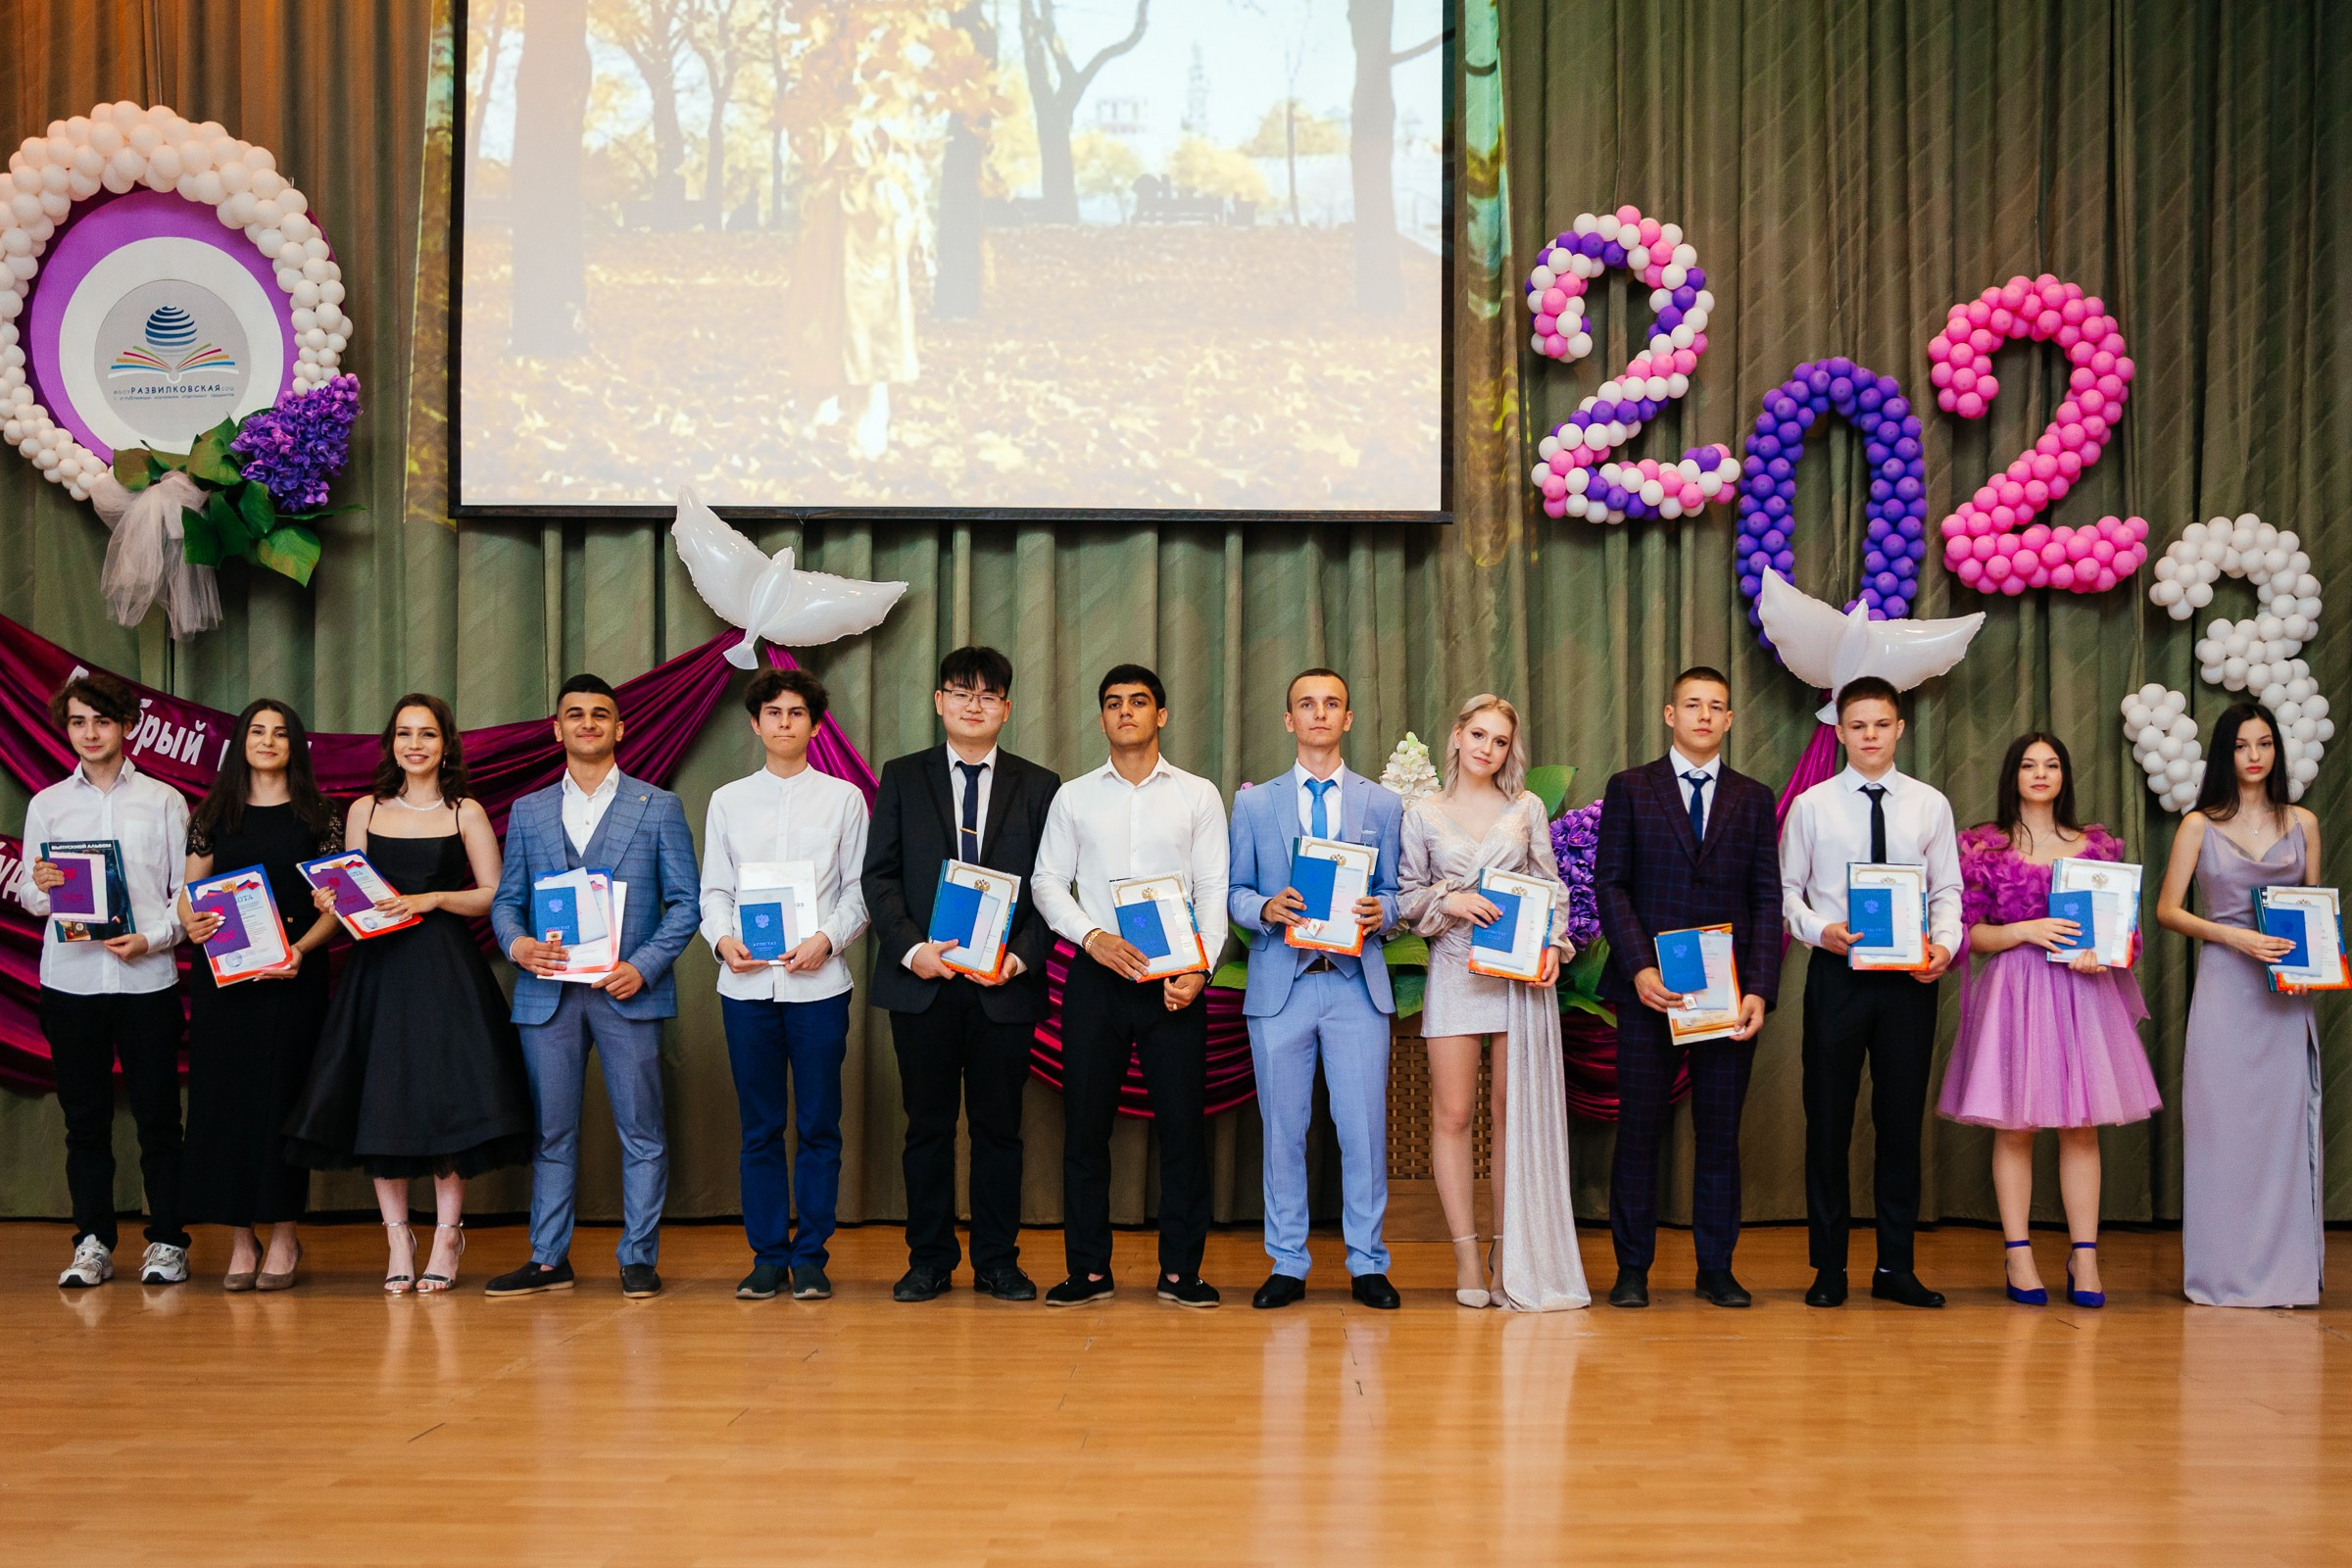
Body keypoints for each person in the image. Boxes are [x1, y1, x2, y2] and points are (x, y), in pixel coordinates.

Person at [284, 695, 534, 1295]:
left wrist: (433, 899)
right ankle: (398, 1237)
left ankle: (448, 1236)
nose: (414, 744)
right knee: (381, 1098)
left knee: (448, 1097)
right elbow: (349, 898)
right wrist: (329, 899)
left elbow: (495, 894)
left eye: (426, 734)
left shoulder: (465, 811)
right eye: (404, 733)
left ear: (445, 745)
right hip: (379, 969)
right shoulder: (364, 809)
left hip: (445, 968)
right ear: (391, 743)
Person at [484, 674, 701, 1299]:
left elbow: (685, 903)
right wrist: (518, 945)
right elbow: (507, 901)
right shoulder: (529, 811)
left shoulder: (658, 806)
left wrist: (645, 965)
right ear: (557, 729)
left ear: (619, 728)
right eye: (575, 714)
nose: (587, 723)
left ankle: (638, 1258)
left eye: (600, 714)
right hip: (547, 994)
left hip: (627, 992)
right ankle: (548, 1259)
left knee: (642, 1130)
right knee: (551, 1132)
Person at [863, 647, 1058, 1304]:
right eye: (960, 692)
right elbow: (879, 876)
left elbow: (1055, 887)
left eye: (987, 695)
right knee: (928, 1129)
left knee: (1000, 1130)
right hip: (924, 984)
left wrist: (1019, 957)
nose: (973, 705)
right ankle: (929, 1260)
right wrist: (912, 949)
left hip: (1005, 987)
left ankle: (998, 1261)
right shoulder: (902, 776)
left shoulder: (1041, 785)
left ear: (1007, 707)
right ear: (938, 702)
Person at [1938, 732, 2160, 1308]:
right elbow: (1967, 935)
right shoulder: (1983, 848)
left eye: (2052, 764)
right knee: (2015, 1127)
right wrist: (2024, 931)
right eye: (2029, 765)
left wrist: (2104, 955)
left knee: (2081, 1128)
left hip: (2083, 995)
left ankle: (2085, 1255)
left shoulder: (2097, 848)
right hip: (2015, 993)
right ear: (2013, 775)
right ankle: (2018, 1252)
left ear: (2064, 776)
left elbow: (2126, 937)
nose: (2041, 773)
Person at [1030, 664, 1228, 1309]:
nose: (1125, 712)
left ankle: (1181, 1273)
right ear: (1102, 719)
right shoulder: (1075, 797)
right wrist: (1091, 937)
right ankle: (1088, 1271)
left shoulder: (1197, 795)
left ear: (1160, 715)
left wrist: (1200, 969)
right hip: (1097, 974)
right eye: (1113, 703)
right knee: (1086, 1129)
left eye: (1138, 702)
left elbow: (1213, 889)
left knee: (1182, 1129)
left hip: (1176, 978)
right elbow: (1046, 881)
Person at [1593, 666, 1783, 1310]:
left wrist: (1760, 988)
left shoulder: (1753, 797)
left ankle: (1716, 1268)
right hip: (1650, 991)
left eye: (1716, 706)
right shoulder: (1631, 788)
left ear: (1729, 720)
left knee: (1720, 1135)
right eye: (1692, 704)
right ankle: (1632, 1269)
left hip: (1728, 995)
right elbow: (1611, 884)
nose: (1704, 715)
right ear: (1670, 715)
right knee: (1639, 1132)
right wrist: (1639, 967)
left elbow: (1767, 897)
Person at [1397, 694, 1587, 1312]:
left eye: (1500, 740)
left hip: (1516, 976)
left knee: (1512, 1116)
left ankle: (1509, 1255)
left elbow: (1551, 886)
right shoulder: (1422, 813)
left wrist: (1554, 944)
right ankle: (1464, 1253)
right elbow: (1405, 897)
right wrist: (1448, 900)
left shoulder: (1526, 807)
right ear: (1456, 736)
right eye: (1478, 735)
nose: (1487, 748)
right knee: (1453, 1115)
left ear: (1510, 750)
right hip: (1454, 971)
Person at [1780, 675, 1960, 1309]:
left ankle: (1895, 1268)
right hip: (1837, 975)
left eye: (1882, 724)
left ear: (1900, 728)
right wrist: (1819, 931)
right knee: (1828, 1121)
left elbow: (1947, 890)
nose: (1871, 736)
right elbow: (1787, 893)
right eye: (1858, 726)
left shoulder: (1930, 805)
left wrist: (1945, 945)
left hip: (1910, 980)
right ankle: (1829, 1268)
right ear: (1839, 731)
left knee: (1901, 1124)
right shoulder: (1812, 806)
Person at [1227, 668, 1402, 1310]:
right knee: (1284, 1132)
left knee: (1363, 1132)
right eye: (1307, 704)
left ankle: (1368, 1263)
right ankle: (1287, 1264)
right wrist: (1264, 908)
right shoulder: (1254, 805)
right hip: (1284, 987)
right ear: (1289, 719)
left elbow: (1397, 892)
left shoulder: (1383, 804)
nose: (1320, 713)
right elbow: (1233, 892)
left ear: (1347, 719)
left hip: (1355, 987)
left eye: (1331, 704)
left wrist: (1384, 911)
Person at [701, 668, 871, 1303]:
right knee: (760, 1128)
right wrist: (723, 940)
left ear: (815, 725)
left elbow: (858, 891)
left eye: (797, 713)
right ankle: (768, 1257)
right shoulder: (727, 801)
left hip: (819, 987)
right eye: (773, 713)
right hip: (745, 988)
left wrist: (826, 939)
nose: (784, 723)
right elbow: (714, 889)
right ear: (755, 723)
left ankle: (812, 1257)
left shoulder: (844, 800)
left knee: (821, 1124)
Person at [16, 671, 191, 1289]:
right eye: (78, 722)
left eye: (102, 721)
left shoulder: (165, 801)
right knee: (84, 1121)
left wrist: (153, 937)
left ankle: (168, 1241)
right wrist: (41, 885)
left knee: (158, 1119)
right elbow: (30, 895)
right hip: (71, 982)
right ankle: (92, 1243)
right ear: (66, 729)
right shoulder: (47, 805)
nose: (90, 733)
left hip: (147, 980)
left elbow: (184, 896)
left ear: (127, 726)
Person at [2156, 702, 2325, 1308]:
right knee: (2222, 1131)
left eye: (2264, 744)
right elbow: (2167, 910)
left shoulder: (2304, 822)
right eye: (2241, 746)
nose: (2254, 756)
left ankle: (2287, 1275)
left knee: (2282, 1131)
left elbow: (2313, 911)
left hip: (2285, 995)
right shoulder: (2197, 825)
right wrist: (2235, 937)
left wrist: (2313, 967)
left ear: (2277, 750)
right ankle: (2221, 1273)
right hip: (2226, 986)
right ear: (2224, 754)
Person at [178, 699, 342, 1292]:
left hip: (293, 978)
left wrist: (301, 951)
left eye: (280, 733)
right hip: (225, 983)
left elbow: (338, 907)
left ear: (295, 745)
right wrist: (192, 921)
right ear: (241, 743)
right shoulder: (213, 812)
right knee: (225, 1106)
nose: (268, 741)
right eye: (257, 731)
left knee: (283, 1104)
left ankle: (285, 1236)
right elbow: (189, 893)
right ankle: (241, 1240)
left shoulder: (321, 815)